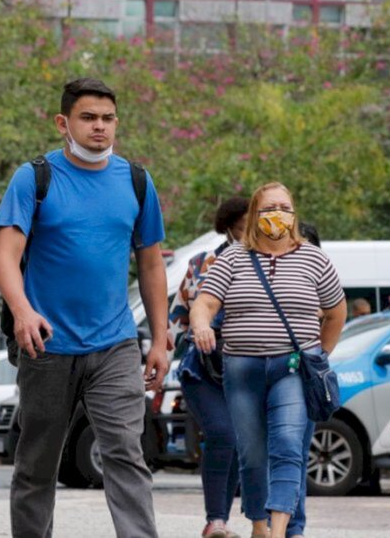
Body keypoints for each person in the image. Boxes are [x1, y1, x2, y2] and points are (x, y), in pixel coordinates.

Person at [0, 77, 169, 538]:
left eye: (108, 119)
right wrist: (22, 311)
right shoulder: (35, 177)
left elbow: (151, 265)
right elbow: (6, 255)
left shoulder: (135, 181)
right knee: (37, 463)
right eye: (88, 118)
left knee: (126, 455)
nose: (100, 128)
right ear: (63, 123)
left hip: (114, 343)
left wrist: (161, 338)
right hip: (46, 344)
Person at [190, 182, 347, 538]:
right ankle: (259, 526)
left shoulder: (314, 258)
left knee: (289, 446)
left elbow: (337, 313)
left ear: (294, 214)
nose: (278, 214)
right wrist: (201, 326)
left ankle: (278, 531)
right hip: (242, 370)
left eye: (285, 207)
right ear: (254, 216)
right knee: (253, 454)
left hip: (292, 368)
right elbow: (205, 303)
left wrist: (319, 355)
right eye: (269, 208)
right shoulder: (232, 258)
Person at [168, 197, 248, 538]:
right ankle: (215, 520)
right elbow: (178, 315)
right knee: (222, 433)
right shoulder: (202, 262)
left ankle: (222, 518)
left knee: (237, 440)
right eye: (244, 227)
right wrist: (162, 350)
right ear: (229, 227)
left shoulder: (276, 262)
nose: (251, 234)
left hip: (248, 367)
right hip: (204, 369)